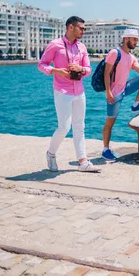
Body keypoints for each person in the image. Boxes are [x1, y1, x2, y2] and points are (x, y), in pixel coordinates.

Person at [38, 16, 100, 172]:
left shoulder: (82, 47)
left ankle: (83, 162)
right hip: (62, 90)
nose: (83, 31)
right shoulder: (55, 45)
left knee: (79, 126)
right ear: (70, 27)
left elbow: (88, 69)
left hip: (79, 91)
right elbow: (42, 64)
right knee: (64, 127)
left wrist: (81, 69)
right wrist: (55, 70)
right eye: (81, 28)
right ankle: (50, 154)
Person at [101, 28, 139, 160]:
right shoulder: (115, 53)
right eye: (134, 39)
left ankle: (136, 105)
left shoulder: (131, 57)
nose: (136, 42)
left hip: (125, 88)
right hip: (114, 93)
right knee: (110, 123)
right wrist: (108, 92)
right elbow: (106, 73)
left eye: (137, 39)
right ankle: (105, 149)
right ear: (126, 39)